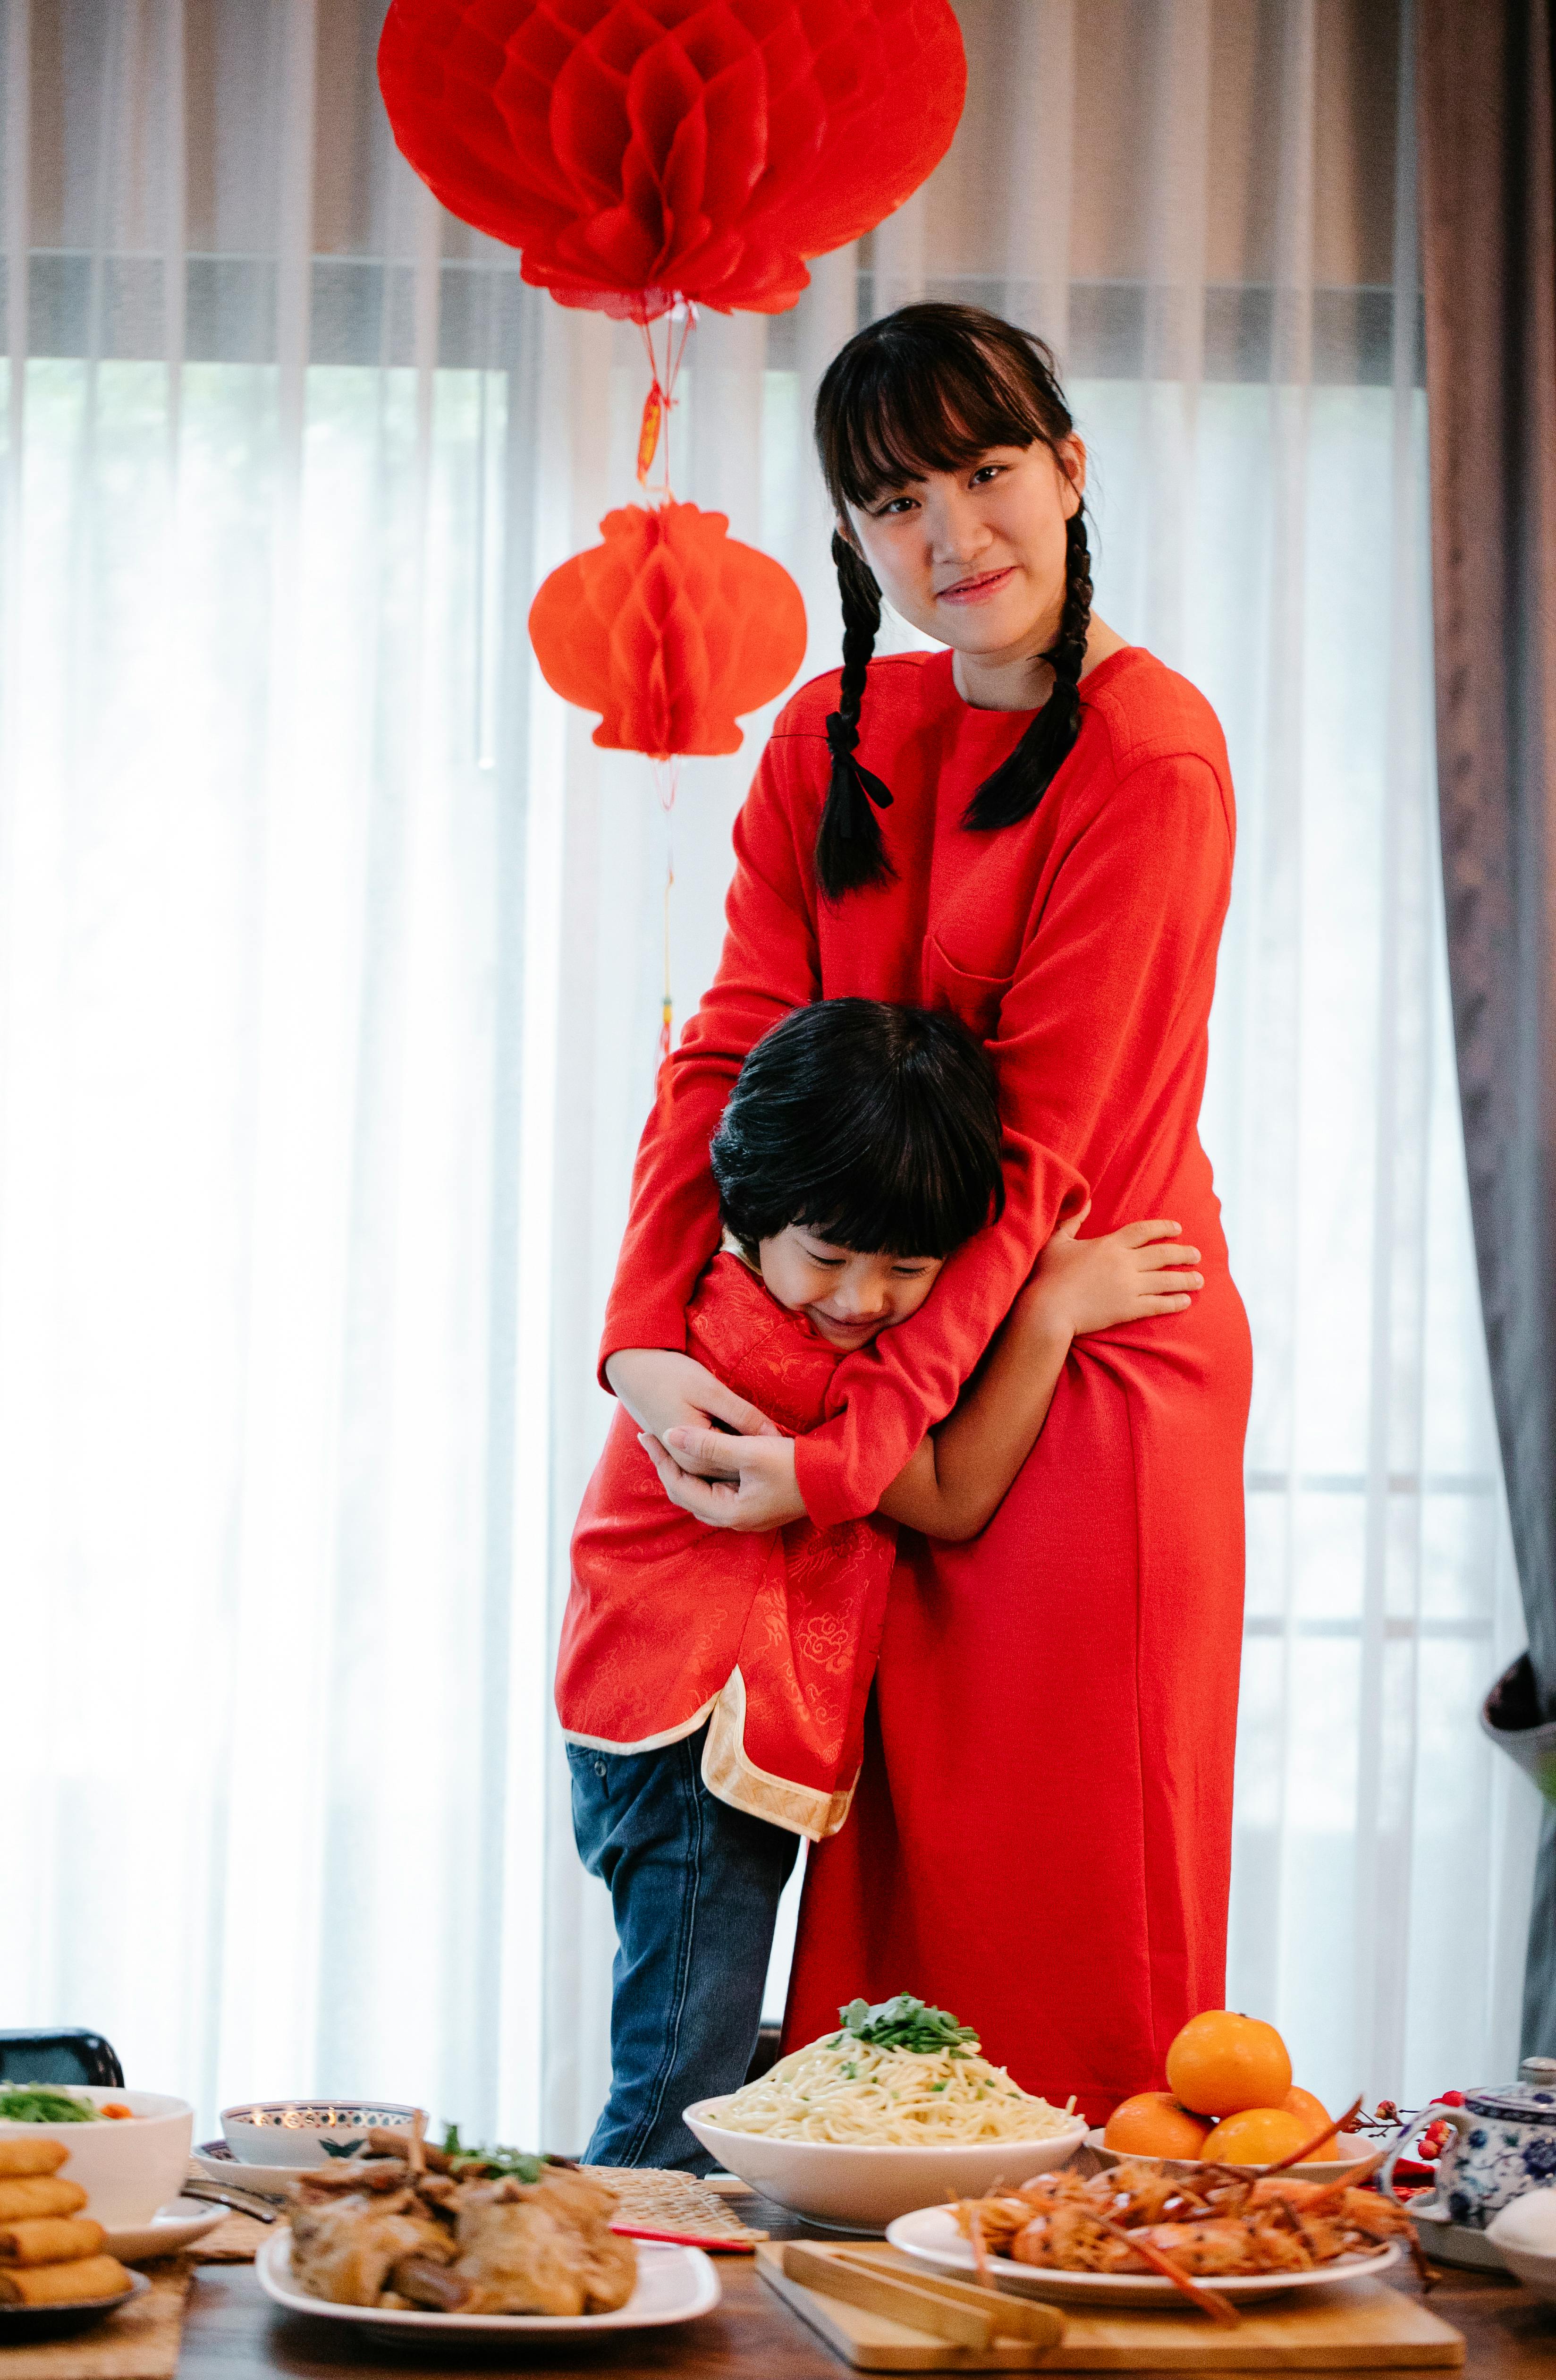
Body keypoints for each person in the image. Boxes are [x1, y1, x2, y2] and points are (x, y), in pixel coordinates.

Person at [598, 303, 1254, 2124]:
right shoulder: (828, 739)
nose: (954, 534)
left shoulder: (1153, 756)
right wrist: (647, 1337)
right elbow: (727, 1047)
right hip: (869, 1379)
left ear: (1069, 469)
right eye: (896, 500)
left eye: (987, 471)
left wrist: (840, 1456)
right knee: (872, 1935)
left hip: (1080, 1367)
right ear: (851, 536)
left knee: (1062, 1911)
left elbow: (1042, 1165)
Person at [558, 997, 1204, 2168]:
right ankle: (607, 2290)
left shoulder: (760, 1307)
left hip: (662, 1725)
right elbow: (953, 1495)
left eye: (909, 1269)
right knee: (675, 2093)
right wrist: (1050, 1309)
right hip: (695, 1739)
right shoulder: (765, 1352)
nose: (860, 1301)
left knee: (689, 2064)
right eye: (830, 1256)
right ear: (751, 1218)